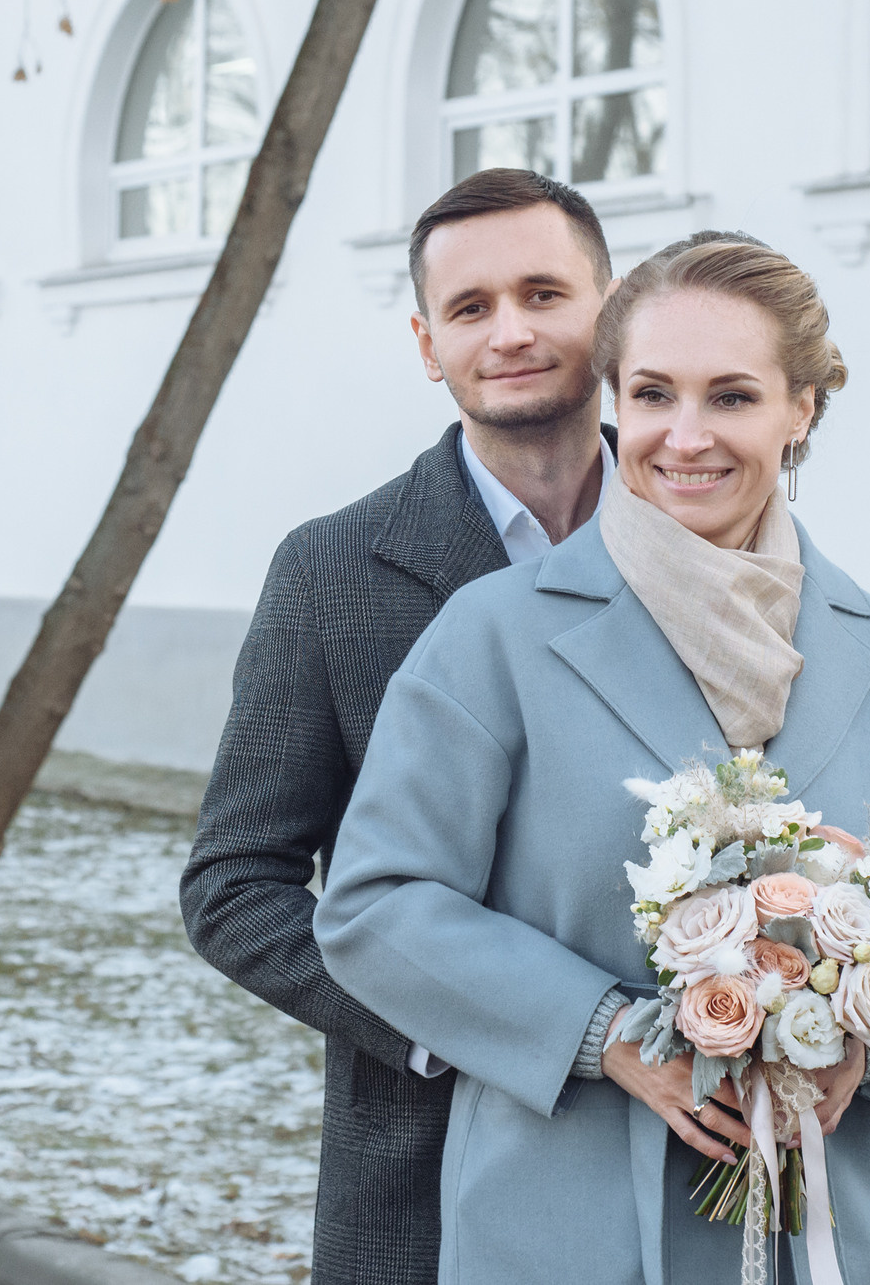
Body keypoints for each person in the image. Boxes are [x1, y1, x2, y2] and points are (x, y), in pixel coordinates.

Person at [313, 234, 870, 1285]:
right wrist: (607, 1035)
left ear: (799, 411)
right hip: (563, 1219)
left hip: (810, 1229)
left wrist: (862, 1040)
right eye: (651, 395)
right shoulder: (493, 634)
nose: (684, 438)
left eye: (730, 397)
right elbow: (376, 902)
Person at [180, 169, 616, 1285]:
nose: (509, 331)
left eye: (542, 293)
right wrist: (442, 1027)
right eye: (470, 309)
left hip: (680, 1163)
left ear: (610, 312)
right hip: (423, 1169)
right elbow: (235, 884)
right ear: (429, 347)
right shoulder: (330, 571)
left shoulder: (713, 533)